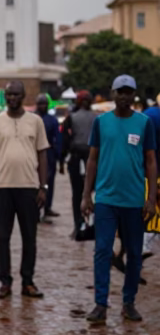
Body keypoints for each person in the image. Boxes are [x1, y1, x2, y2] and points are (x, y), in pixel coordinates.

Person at [82, 75, 157, 325]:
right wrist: (86, 195)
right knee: (102, 251)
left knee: (134, 253)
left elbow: (150, 161)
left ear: (134, 95)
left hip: (134, 201)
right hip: (106, 199)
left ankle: (129, 302)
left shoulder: (144, 123)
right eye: (120, 92)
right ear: (112, 93)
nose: (124, 97)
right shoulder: (101, 122)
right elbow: (92, 159)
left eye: (129, 92)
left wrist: (151, 198)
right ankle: (101, 304)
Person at [0, 80, 49, 300]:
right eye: (8, 94)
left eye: (16, 94)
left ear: (24, 96)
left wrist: (43, 186)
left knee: (29, 237)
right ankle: (5, 282)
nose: (12, 98)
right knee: (3, 237)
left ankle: (28, 281)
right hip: (2, 188)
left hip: (29, 188)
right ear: (5, 96)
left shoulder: (36, 121)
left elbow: (42, 154)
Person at [60, 91, 96, 237]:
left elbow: (65, 141)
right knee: (93, 193)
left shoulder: (71, 118)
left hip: (80, 159)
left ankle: (80, 225)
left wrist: (61, 160)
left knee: (78, 194)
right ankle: (89, 224)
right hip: (91, 159)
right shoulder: (97, 118)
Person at [35, 93, 61, 220]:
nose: (42, 106)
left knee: (49, 182)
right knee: (36, 182)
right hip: (34, 154)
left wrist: (58, 154)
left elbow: (57, 137)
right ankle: (36, 209)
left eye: (44, 103)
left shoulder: (52, 120)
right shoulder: (32, 119)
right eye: (40, 103)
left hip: (49, 153)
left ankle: (47, 207)